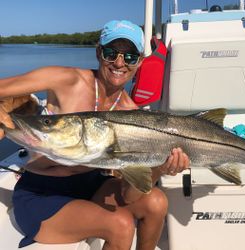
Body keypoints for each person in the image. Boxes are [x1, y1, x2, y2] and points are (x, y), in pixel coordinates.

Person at [0, 20, 189, 250]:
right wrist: (4, 118)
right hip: (41, 193)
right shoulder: (66, 79)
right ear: (99, 52)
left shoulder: (132, 116)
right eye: (111, 53)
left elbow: (129, 196)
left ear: (139, 62)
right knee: (120, 224)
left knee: (157, 202)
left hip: (91, 187)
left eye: (129, 57)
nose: (119, 63)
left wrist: (159, 167)